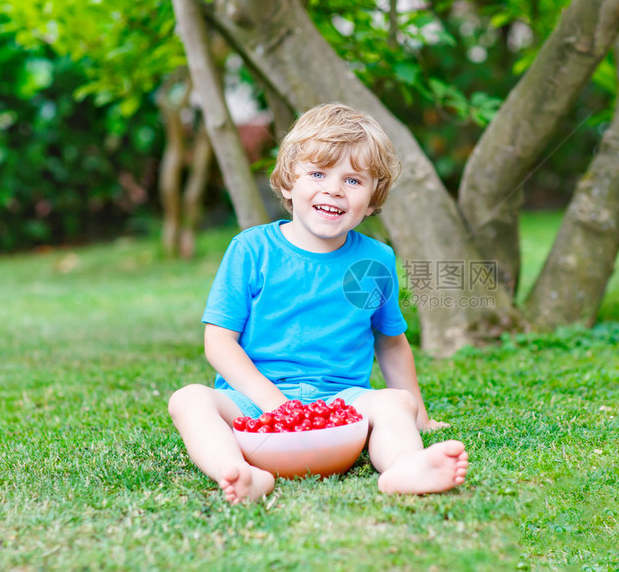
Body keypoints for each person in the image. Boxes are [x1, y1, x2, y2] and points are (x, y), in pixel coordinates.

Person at [168, 103, 468, 504]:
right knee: (189, 399)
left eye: (353, 180)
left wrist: (421, 415)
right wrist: (277, 407)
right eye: (317, 173)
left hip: (340, 407)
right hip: (255, 406)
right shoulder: (251, 250)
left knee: (396, 403)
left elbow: (391, 341)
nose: (333, 189)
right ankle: (240, 472)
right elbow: (219, 343)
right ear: (289, 183)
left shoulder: (374, 260)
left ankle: (404, 467)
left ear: (373, 198)